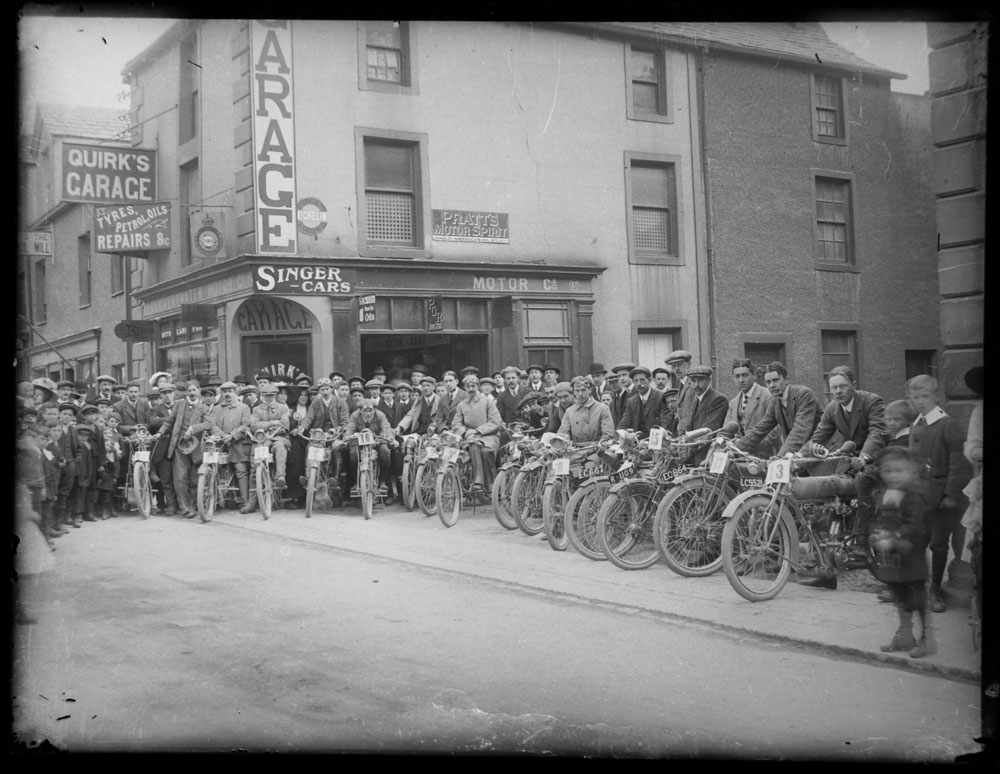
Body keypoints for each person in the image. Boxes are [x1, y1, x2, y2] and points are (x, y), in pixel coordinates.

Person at [906, 374, 973, 614]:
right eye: (915, 397)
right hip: (920, 497)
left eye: (925, 396)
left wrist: (951, 494)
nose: (920, 401)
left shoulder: (947, 424)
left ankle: (936, 589)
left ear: (936, 396)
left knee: (938, 544)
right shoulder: (917, 424)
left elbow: (959, 464)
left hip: (941, 499)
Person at [869, 446, 935, 658]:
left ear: (911, 471)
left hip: (911, 556)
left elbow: (915, 527)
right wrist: (878, 534)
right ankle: (905, 635)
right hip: (895, 559)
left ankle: (927, 638)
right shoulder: (889, 494)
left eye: (899, 471)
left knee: (916, 598)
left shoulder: (913, 496)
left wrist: (894, 539)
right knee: (900, 596)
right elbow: (884, 520)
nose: (893, 476)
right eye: (888, 471)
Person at [804, 366, 887, 467]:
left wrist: (864, 456)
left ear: (854, 385)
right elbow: (818, 437)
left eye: (843, 386)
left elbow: (877, 432)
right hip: (851, 459)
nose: (838, 391)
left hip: (876, 458)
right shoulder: (831, 408)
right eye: (834, 387)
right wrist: (799, 456)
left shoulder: (872, 402)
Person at [734, 362, 820, 457]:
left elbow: (799, 431)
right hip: (798, 456)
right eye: (768, 382)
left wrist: (780, 457)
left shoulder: (804, 394)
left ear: (786, 380)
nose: (772, 385)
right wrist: (735, 449)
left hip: (821, 452)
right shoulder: (775, 401)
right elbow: (760, 429)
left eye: (775, 380)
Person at [198, 382, 254, 513]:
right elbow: (211, 424)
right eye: (225, 391)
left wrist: (232, 435)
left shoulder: (244, 407)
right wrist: (222, 435)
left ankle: (246, 501)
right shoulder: (217, 409)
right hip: (220, 444)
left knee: (241, 470)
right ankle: (216, 498)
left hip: (238, 445)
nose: (227, 394)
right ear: (221, 394)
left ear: (235, 392)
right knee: (216, 469)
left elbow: (246, 425)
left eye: (230, 391)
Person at [242, 383, 291, 513]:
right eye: (266, 396)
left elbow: (285, 425)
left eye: (271, 395)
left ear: (275, 396)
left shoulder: (282, 408)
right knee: (254, 467)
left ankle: (281, 476)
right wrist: (273, 423)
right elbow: (253, 425)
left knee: (280, 447)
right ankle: (252, 502)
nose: (269, 398)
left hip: (278, 438)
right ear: (262, 396)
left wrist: (264, 426)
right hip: (261, 440)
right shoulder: (257, 409)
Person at [451, 375, 502, 494]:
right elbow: (456, 424)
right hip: (469, 437)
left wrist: (477, 431)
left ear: (478, 386)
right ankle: (478, 481)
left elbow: (495, 422)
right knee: (472, 444)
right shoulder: (462, 405)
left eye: (473, 385)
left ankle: (487, 481)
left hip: (489, 436)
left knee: (486, 451)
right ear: (464, 388)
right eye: (468, 386)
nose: (471, 388)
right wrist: (465, 432)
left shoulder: (487, 402)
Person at [723, 358, 779, 457]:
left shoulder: (768, 396)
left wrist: (742, 445)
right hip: (737, 457)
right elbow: (725, 431)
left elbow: (773, 434)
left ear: (754, 375)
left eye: (745, 375)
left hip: (763, 458)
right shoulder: (734, 402)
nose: (741, 380)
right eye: (737, 376)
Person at [345, 398, 396, 504]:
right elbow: (350, 428)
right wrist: (348, 436)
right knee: (353, 455)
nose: (368, 413)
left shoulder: (380, 415)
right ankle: (355, 482)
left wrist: (386, 437)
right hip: (359, 441)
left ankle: (382, 481)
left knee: (385, 452)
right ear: (360, 410)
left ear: (374, 409)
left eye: (370, 410)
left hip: (377, 440)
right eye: (365, 410)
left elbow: (386, 427)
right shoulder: (355, 416)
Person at [680, 365, 729, 463]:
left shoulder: (718, 399)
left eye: (700, 380)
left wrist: (687, 442)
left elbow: (709, 430)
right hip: (696, 454)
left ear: (709, 380)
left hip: (709, 456)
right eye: (693, 381)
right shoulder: (696, 398)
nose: (696, 385)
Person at [559, 376, 616, 443]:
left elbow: (608, 434)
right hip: (575, 450)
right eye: (577, 390)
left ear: (590, 390)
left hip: (597, 449)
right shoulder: (569, 411)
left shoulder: (602, 409)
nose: (580, 394)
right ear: (574, 392)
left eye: (583, 390)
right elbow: (563, 433)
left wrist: (601, 445)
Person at [617, 366, 667, 437]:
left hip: (657, 439)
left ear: (649, 380)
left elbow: (665, 423)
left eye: (642, 380)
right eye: (636, 381)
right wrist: (620, 434)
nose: (639, 384)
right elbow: (624, 423)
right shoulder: (631, 401)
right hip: (638, 441)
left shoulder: (661, 397)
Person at [664, 350, 695, 431]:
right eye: (674, 366)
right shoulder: (682, 384)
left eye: (680, 365)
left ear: (689, 365)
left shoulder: (693, 384)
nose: (677, 369)